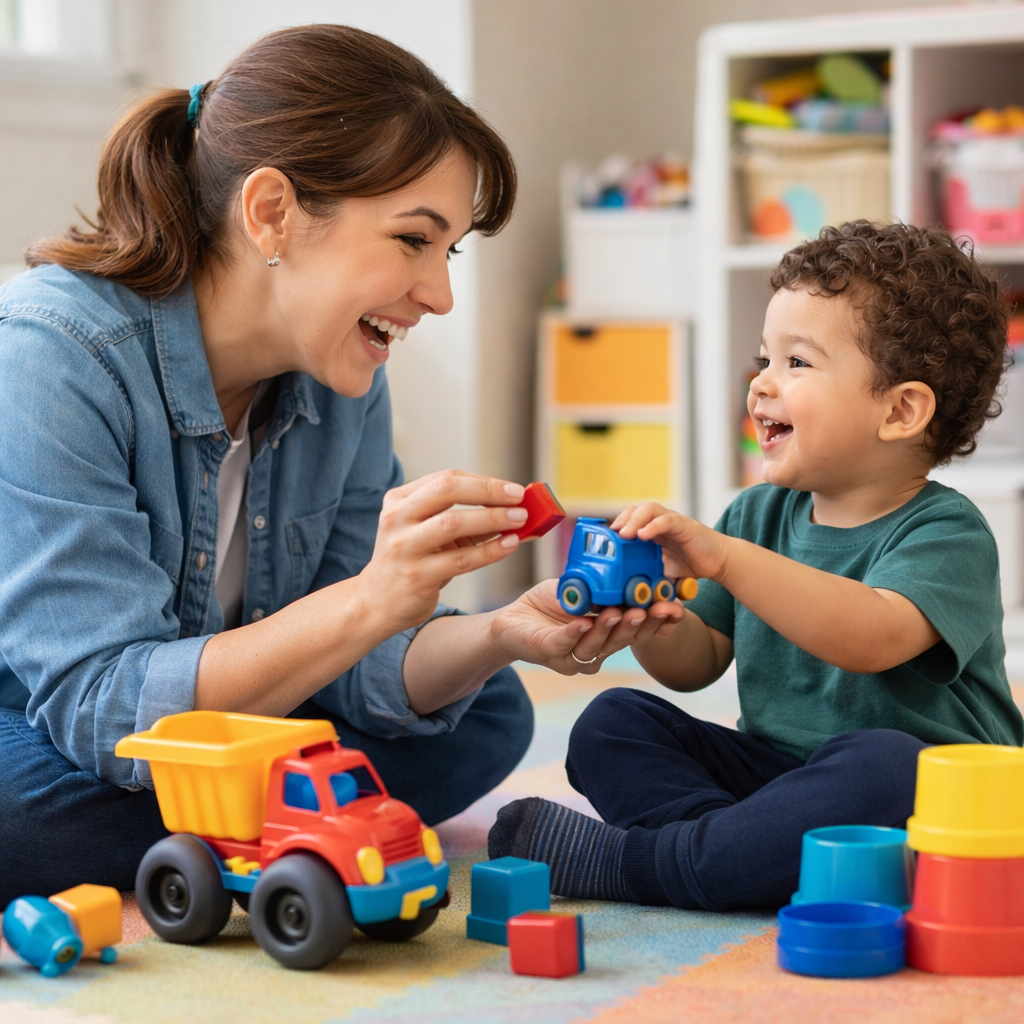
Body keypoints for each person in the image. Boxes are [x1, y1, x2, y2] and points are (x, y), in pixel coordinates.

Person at [0, 25, 662, 907]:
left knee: (495, 704)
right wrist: (367, 602)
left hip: (212, 732)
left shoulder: (343, 377)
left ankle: (249, 829)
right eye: (414, 241)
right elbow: (100, 709)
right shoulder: (56, 353)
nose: (440, 295)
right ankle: (301, 827)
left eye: (449, 250)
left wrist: (503, 630)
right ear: (271, 211)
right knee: (29, 809)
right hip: (43, 723)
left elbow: (357, 659)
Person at [490, 221, 1024, 911]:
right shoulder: (759, 515)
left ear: (900, 411)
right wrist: (654, 617)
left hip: (927, 801)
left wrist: (728, 561)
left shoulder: (947, 532)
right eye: (762, 358)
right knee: (612, 721)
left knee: (885, 764)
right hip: (777, 781)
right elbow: (697, 664)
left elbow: (872, 635)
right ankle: (727, 857)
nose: (761, 383)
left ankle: (655, 865)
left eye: (796, 363)